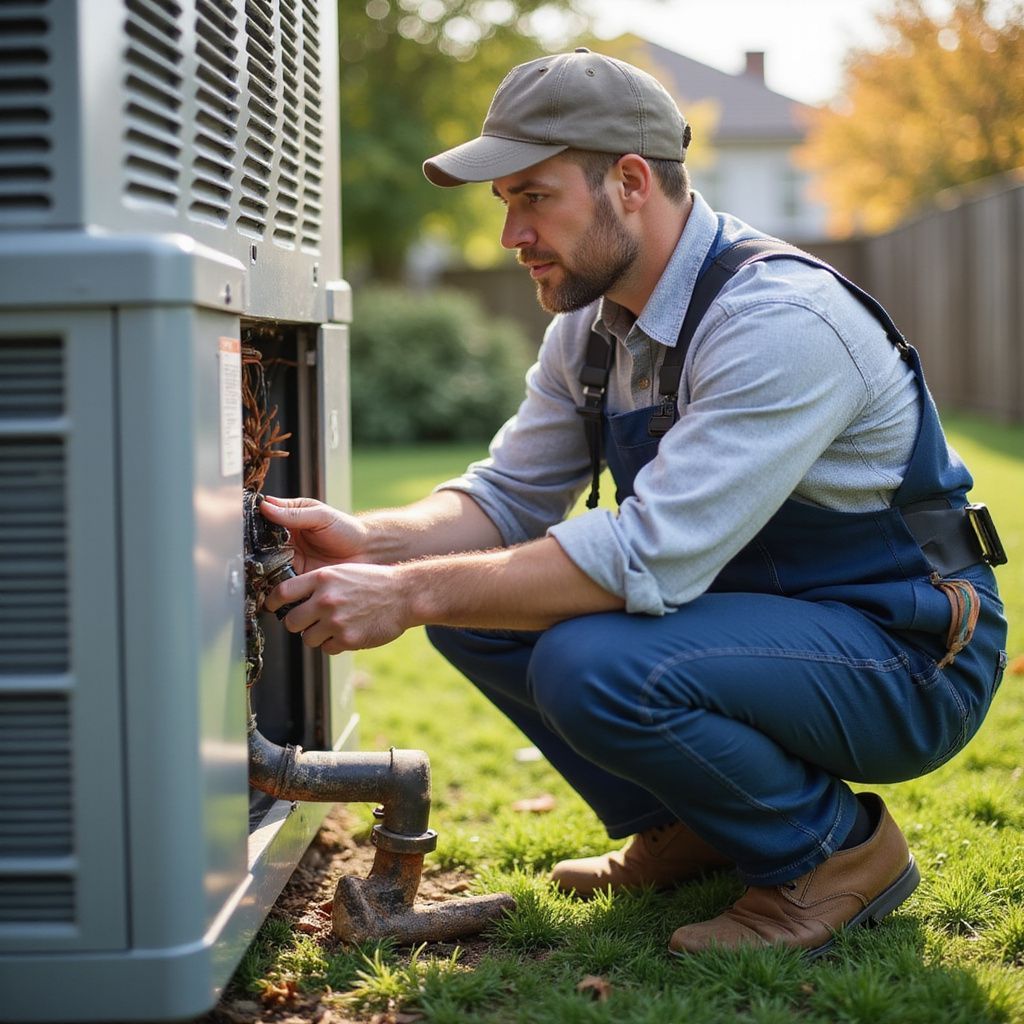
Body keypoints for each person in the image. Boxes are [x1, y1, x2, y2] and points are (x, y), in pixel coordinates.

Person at [261, 48, 1008, 957]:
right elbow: (507, 496)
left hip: (907, 651)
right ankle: (692, 826)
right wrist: (372, 543)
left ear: (627, 182)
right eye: (506, 204)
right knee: (477, 606)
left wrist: (410, 592)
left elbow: (648, 553)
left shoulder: (777, 321)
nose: (510, 236)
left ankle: (833, 858)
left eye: (535, 196)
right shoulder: (591, 326)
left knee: (590, 659)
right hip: (762, 625)